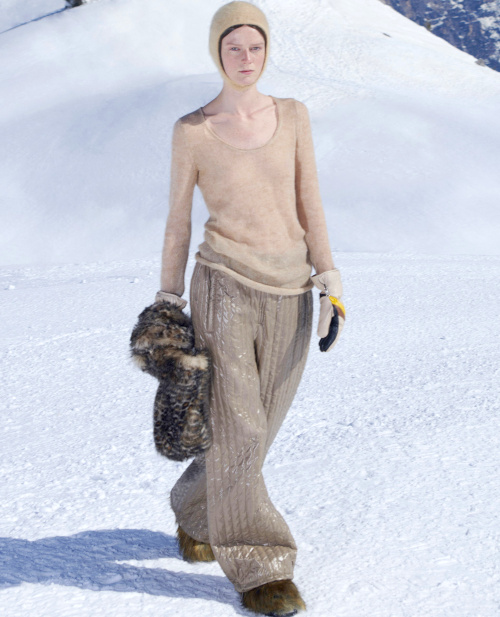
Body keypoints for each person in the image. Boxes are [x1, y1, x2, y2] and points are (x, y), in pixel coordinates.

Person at [154, 2, 344, 615]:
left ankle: (195, 510)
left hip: (291, 290)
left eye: (255, 47)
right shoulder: (193, 130)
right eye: (233, 47)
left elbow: (310, 201)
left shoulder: (293, 116)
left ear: (267, 52)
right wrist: (167, 300)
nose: (245, 57)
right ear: (217, 52)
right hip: (223, 286)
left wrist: (329, 280)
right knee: (242, 427)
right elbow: (178, 222)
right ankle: (263, 568)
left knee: (260, 427)